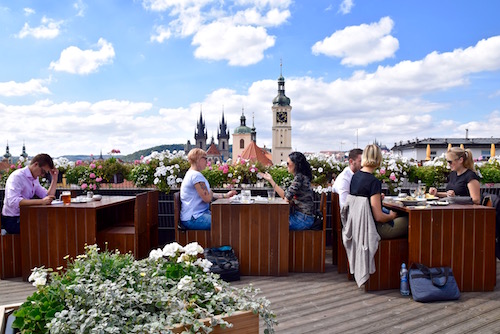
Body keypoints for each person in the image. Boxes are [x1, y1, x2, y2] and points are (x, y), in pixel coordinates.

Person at [350, 144, 408, 239]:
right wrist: (391, 216)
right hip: (376, 229)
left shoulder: (355, 177)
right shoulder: (373, 181)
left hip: (359, 227)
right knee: (412, 221)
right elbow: (379, 217)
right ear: (378, 158)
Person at [180, 148, 237, 230]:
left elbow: (209, 194)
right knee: (226, 222)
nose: (207, 161)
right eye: (205, 158)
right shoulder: (196, 176)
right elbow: (207, 198)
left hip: (195, 215)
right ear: (198, 159)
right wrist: (209, 192)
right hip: (194, 218)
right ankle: (223, 243)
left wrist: (226, 195)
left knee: (227, 218)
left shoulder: (192, 173)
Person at [1, 153, 59, 234]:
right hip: (12, 220)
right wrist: (41, 202)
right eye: (42, 171)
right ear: (35, 164)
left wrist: (54, 179)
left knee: (52, 223)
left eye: (45, 173)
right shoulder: (17, 177)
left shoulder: (34, 178)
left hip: (24, 216)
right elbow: (13, 201)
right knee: (44, 229)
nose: (42, 175)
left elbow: (47, 196)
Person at [259, 151, 315, 230]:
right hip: (303, 217)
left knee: (273, 224)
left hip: (302, 219)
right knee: (273, 222)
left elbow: (286, 199)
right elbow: (286, 195)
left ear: (295, 164)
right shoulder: (301, 177)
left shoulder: (299, 178)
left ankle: (278, 243)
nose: (286, 166)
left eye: (288, 163)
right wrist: (271, 180)